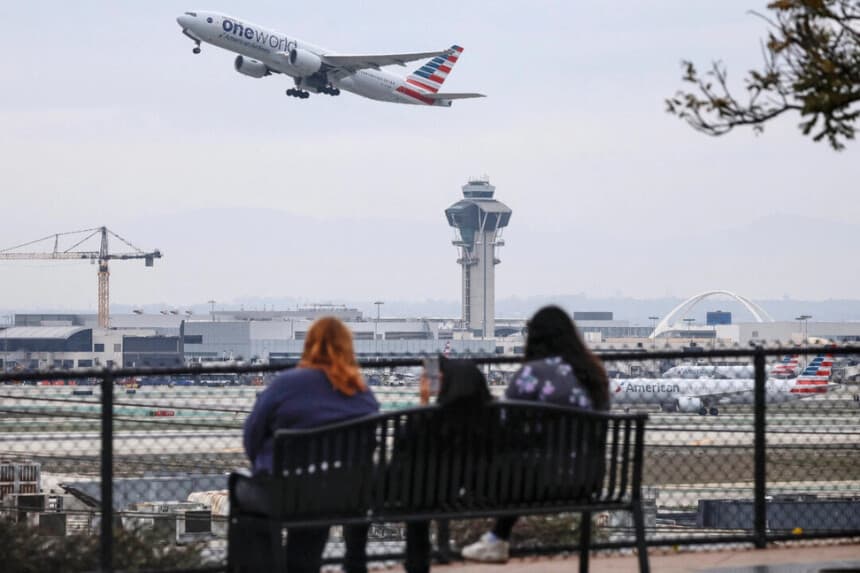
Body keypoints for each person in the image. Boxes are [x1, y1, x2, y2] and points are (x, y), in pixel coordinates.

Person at [460, 305, 610, 564]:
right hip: (588, 479)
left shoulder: (535, 372)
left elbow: (503, 419)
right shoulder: (594, 375)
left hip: (538, 481)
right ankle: (496, 538)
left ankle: (492, 538)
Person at [242, 316, 380, 573]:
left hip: (285, 490)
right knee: (316, 512)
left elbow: (252, 436)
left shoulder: (286, 384)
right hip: (342, 492)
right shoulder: (361, 391)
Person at [403, 356, 493, 573]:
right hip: (484, 494)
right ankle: (445, 547)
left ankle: (418, 564)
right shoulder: (492, 418)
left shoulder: (433, 421)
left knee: (419, 494)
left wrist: (424, 403)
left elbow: (407, 447)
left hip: (435, 493)